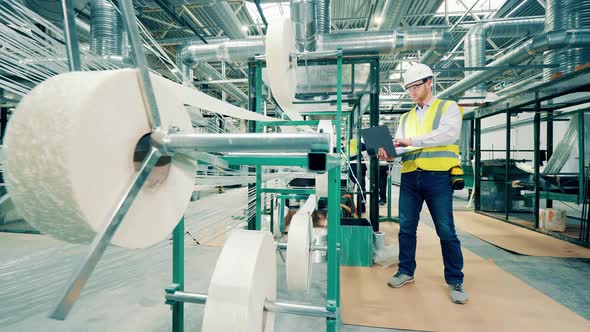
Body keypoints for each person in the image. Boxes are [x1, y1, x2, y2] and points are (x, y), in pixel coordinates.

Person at [377, 63, 468, 304]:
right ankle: (406, 270)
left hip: (438, 176)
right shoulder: (406, 117)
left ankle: (455, 280)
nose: (412, 92)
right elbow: (401, 148)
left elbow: (447, 135)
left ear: (430, 82)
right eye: (408, 88)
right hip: (409, 176)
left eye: (416, 86)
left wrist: (411, 140)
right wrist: (387, 153)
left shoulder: (447, 108)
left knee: (446, 230)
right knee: (406, 228)